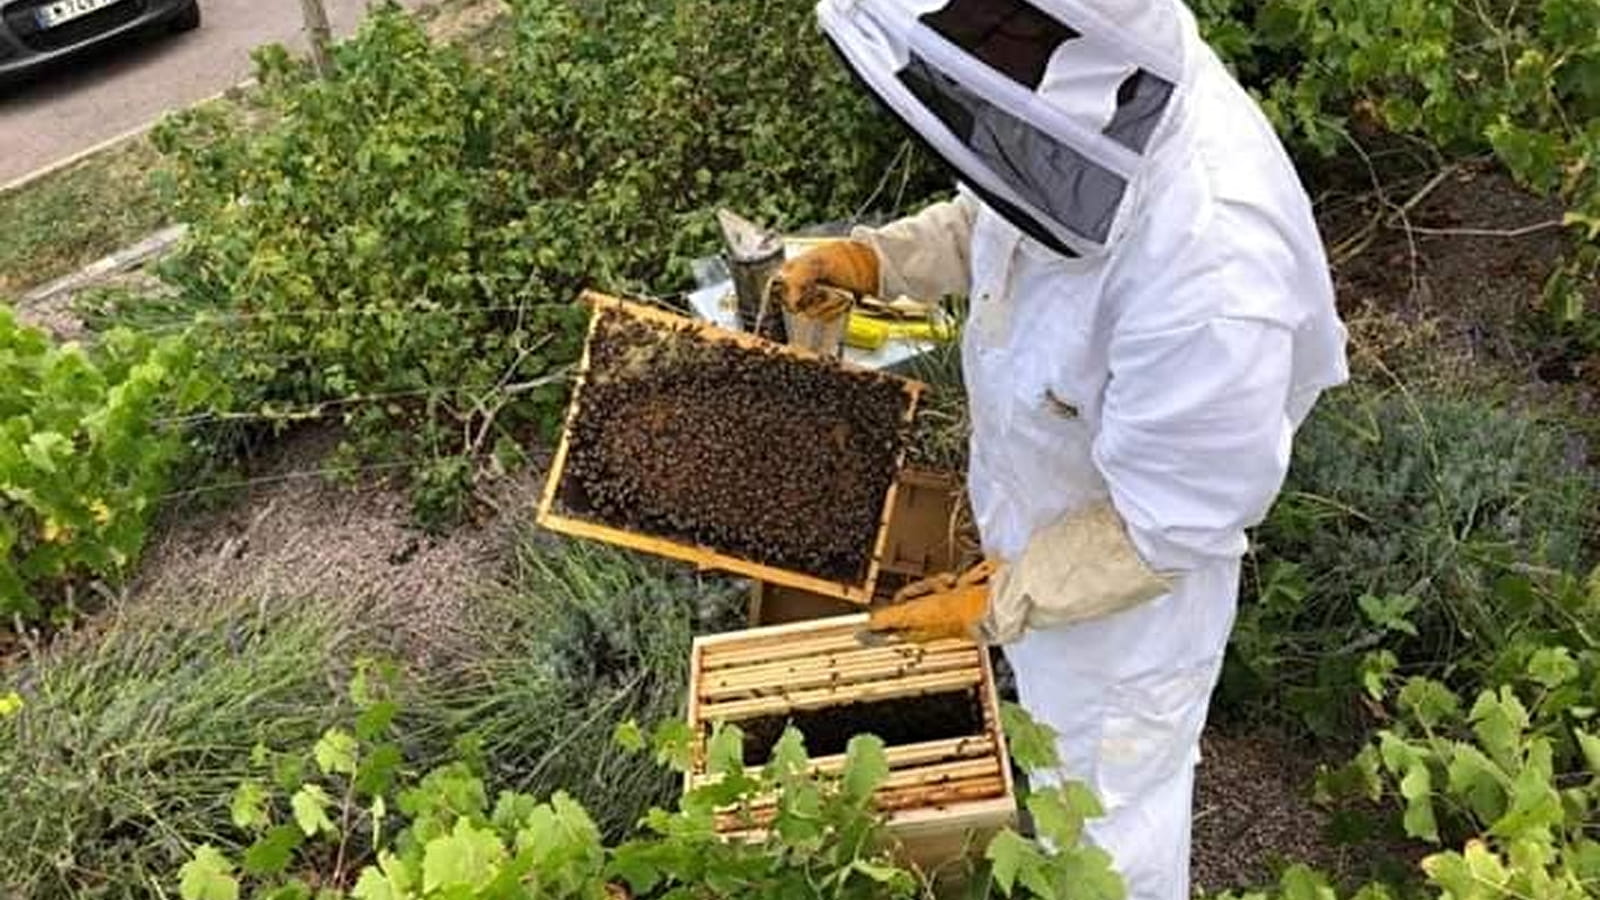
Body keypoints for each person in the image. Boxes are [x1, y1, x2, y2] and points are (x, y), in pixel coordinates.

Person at [769, 2, 1350, 899]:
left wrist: (998, 597)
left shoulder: (1215, 270)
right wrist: (879, 261)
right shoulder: (1078, 83)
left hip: (1124, 629)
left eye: (986, 20)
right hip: (1040, 543)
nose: (969, 37)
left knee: (1110, 827)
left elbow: (1167, 528)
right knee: (1049, 762)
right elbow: (1003, 209)